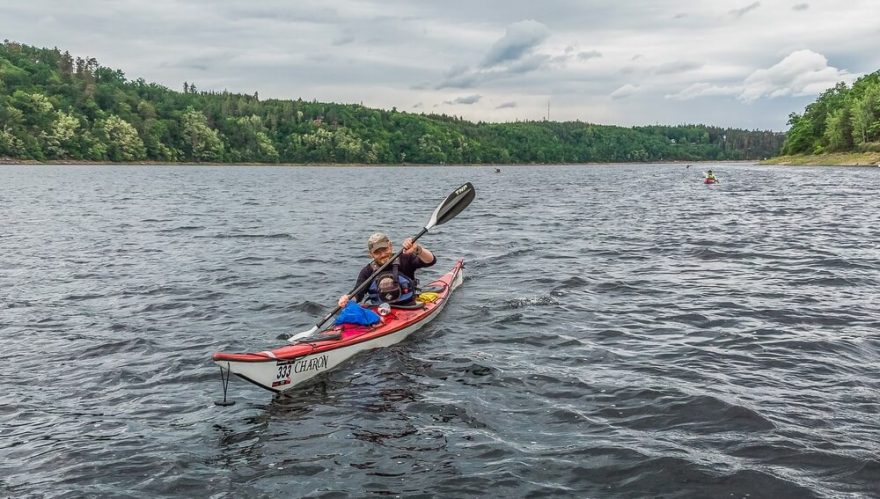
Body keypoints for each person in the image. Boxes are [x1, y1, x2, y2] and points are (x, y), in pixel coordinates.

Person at [337, 232, 436, 308]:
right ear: (371, 254)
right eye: (377, 252)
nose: (383, 254)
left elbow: (430, 261)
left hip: (409, 308)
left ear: (390, 246)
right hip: (381, 312)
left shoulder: (405, 259)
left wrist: (418, 249)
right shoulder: (367, 271)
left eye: (385, 249)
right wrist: (348, 299)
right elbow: (358, 294)